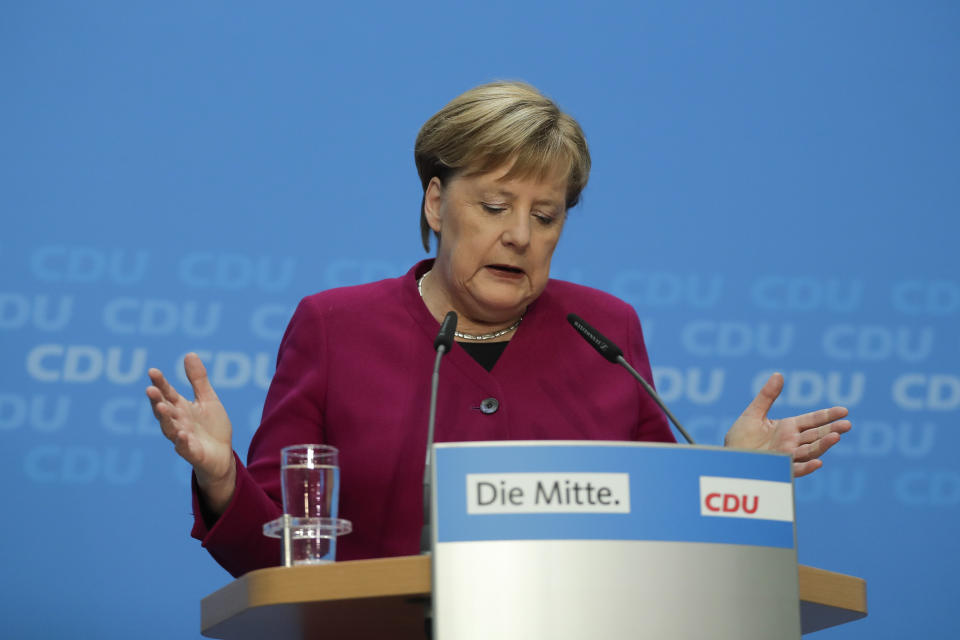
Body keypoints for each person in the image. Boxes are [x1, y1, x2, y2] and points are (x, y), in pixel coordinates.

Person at [146, 82, 851, 578]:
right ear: (434, 200)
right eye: (494, 205)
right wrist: (221, 481)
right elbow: (279, 557)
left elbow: (658, 541)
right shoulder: (335, 328)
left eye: (545, 217)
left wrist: (736, 480)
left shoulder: (604, 331)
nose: (519, 236)